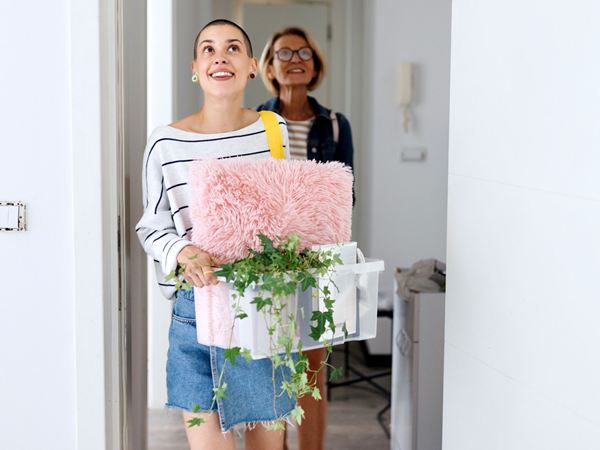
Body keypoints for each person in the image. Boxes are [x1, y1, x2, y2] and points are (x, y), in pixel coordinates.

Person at [136, 19, 292, 450]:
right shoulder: (165, 142)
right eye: (207, 49)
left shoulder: (273, 131)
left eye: (232, 48)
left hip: (265, 308)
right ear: (195, 67)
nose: (219, 56)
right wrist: (183, 250)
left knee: (268, 446)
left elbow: (290, 211)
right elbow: (152, 225)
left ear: (252, 67)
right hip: (197, 311)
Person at [257, 26, 355, 450]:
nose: (295, 59)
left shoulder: (334, 125)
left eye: (304, 53)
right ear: (270, 66)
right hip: (266, 258)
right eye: (284, 52)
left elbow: (344, 194)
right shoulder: (253, 122)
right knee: (272, 364)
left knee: (312, 367)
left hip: (319, 258)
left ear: (315, 65)